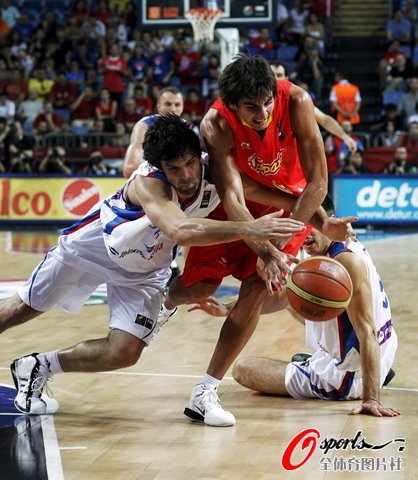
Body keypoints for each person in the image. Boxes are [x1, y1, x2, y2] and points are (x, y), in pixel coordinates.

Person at [1, 114, 306, 416]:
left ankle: (37, 366)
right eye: (174, 169)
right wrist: (250, 228)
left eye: (189, 163)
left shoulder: (217, 174)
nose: (185, 175)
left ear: (198, 156)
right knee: (23, 308)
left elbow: (284, 198)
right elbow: (180, 230)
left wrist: (320, 218)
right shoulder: (148, 183)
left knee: (124, 352)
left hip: (144, 270)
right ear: (160, 167)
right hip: (91, 249)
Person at [159, 55, 355, 427]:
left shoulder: (296, 101)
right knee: (200, 287)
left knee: (257, 287)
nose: (263, 112)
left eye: (267, 102)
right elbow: (233, 197)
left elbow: (318, 183)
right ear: (232, 104)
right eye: (251, 106)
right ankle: (162, 302)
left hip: (291, 205)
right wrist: (262, 246)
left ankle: (205, 391)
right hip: (237, 207)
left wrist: (276, 250)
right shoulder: (216, 124)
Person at [196, 198, 400, 418]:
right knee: (298, 294)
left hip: (345, 377)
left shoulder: (346, 263)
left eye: (312, 225)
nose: (306, 234)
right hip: (382, 355)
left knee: (243, 369)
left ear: (329, 221)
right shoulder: (344, 243)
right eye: (301, 226)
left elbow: (367, 331)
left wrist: (371, 399)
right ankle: (355, 367)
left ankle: (340, 373)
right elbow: (284, 298)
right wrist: (228, 310)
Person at [269, 60, 358, 155]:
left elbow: (324, 120)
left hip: (288, 154)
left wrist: (344, 136)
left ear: (286, 78)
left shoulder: (295, 101)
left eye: (279, 75)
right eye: (272, 75)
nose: (276, 79)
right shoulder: (258, 101)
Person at [122, 87, 184, 178]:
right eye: (168, 104)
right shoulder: (145, 125)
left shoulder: (188, 128)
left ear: (182, 107)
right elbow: (130, 168)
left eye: (177, 105)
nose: (173, 109)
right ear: (159, 106)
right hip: (152, 180)